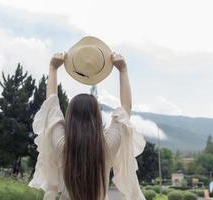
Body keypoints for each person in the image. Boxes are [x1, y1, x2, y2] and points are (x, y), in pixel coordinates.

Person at [28, 52, 146, 200]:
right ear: (97, 118)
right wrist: (123, 70)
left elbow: (51, 106)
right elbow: (126, 108)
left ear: (69, 117)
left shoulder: (62, 145)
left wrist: (53, 68)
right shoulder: (107, 147)